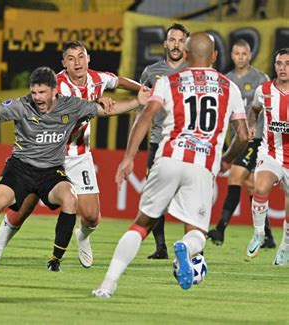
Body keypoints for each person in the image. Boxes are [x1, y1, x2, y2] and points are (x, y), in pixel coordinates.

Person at [0, 67, 149, 272]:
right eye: (34, 92)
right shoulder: (21, 106)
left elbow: (108, 110)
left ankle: (55, 260)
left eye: (42, 92)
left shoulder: (72, 106)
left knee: (70, 199)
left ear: (54, 91)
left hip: (51, 171)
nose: (36, 97)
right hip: (21, 168)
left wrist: (139, 101)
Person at [92, 32, 249, 298]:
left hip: (168, 158)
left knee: (141, 224)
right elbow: (244, 135)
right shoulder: (229, 87)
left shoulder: (169, 82)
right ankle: (185, 249)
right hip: (202, 165)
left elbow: (145, 117)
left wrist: (128, 157)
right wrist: (227, 159)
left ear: (186, 55)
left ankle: (107, 285)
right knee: (197, 233)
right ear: (214, 57)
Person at [0, 41, 142, 269]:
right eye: (70, 58)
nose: (77, 63)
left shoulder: (98, 79)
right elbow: (72, 107)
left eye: (81, 57)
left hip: (78, 155)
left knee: (92, 217)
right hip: (47, 155)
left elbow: (118, 80)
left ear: (89, 59)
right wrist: (96, 102)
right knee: (23, 208)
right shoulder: (57, 85)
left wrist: (144, 90)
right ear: (63, 63)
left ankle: (83, 237)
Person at [208, 39, 274, 247]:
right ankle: (268, 236)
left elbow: (268, 105)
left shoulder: (260, 78)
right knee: (250, 185)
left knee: (235, 176)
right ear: (232, 55)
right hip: (236, 140)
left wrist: (256, 126)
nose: (240, 57)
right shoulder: (226, 80)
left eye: (244, 53)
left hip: (256, 139)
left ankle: (220, 229)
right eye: (236, 53)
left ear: (249, 55)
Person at [139, 23, 190, 259]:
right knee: (155, 194)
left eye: (181, 40)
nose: (176, 44)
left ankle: (192, 246)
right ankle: (160, 247)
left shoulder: (194, 71)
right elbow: (142, 106)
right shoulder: (151, 72)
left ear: (186, 44)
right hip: (159, 142)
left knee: (189, 194)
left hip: (188, 141)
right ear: (165, 43)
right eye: (172, 39)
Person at [246, 48, 289, 265]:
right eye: (279, 63)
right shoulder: (263, 90)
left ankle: (286, 246)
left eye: (287, 63)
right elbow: (254, 110)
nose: (283, 68)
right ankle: (259, 233)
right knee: (260, 187)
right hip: (271, 152)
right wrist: (252, 125)